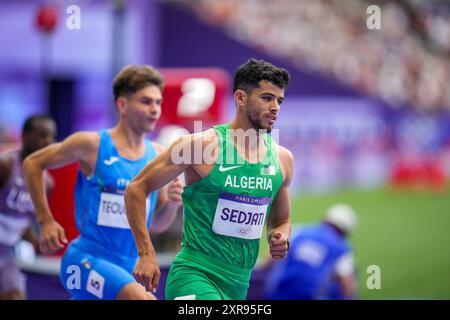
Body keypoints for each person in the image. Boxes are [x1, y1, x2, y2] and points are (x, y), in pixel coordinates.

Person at [125, 58, 294, 300]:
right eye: (267, 98)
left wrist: (280, 236)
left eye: (279, 100)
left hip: (238, 284)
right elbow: (136, 188)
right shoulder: (201, 146)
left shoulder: (282, 159)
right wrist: (145, 253)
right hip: (194, 276)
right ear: (240, 97)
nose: (275, 106)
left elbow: (281, 220)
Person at [23, 65, 183, 300]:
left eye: (158, 103)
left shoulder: (158, 156)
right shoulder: (92, 144)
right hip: (87, 259)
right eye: (146, 102)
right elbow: (33, 163)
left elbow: (156, 225)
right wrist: (45, 220)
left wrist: (171, 204)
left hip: (131, 267)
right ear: (122, 105)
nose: (155, 110)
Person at [0, 115, 57, 300]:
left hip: (7, 250)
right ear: (24, 136)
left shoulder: (47, 183)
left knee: (16, 295)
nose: (47, 141)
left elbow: (23, 220)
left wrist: (35, 242)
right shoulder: (5, 165)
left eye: (51, 136)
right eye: (41, 135)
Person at [265, 203, 359, 300]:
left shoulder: (300, 231)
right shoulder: (341, 248)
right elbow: (347, 284)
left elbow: (270, 258)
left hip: (278, 292)